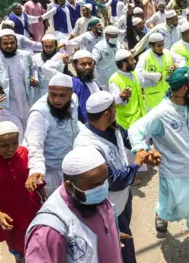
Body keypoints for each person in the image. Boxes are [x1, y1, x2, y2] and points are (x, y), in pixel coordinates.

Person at [128, 67, 189, 245]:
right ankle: (161, 213)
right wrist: (143, 150)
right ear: (183, 89)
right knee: (179, 208)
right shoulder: (161, 113)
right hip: (175, 172)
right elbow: (135, 129)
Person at [75, 92, 161, 263]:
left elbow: (128, 140)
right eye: (115, 108)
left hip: (123, 200)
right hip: (107, 211)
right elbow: (112, 181)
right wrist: (136, 164)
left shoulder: (112, 127)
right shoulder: (87, 145)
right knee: (120, 253)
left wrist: (145, 152)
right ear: (107, 113)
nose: (117, 111)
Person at [25, 147, 123, 261]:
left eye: (105, 180)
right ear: (70, 186)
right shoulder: (50, 229)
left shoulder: (95, 200)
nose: (103, 188)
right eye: (94, 185)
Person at [0, 121, 46, 262]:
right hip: (10, 218)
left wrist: (45, 199)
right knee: (18, 249)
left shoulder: (24, 153)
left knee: (39, 243)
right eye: (4, 145)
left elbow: (36, 179)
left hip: (33, 210)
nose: (10, 149)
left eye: (14, 143)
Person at [24, 73, 80, 197]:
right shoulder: (39, 113)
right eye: (53, 94)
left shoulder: (74, 100)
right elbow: (34, 145)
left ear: (71, 93)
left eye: (62, 95)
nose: (57, 100)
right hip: (49, 173)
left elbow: (74, 124)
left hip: (67, 166)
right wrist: (36, 169)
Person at [0, 30, 39, 141]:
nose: (9, 46)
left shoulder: (26, 55)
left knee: (29, 135)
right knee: (16, 135)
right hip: (5, 105)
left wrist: (34, 78)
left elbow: (33, 68)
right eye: (5, 43)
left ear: (16, 43)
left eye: (12, 42)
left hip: (26, 102)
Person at [136, 32, 184, 111]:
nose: (161, 48)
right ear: (151, 46)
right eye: (158, 46)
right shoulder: (145, 56)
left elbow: (182, 60)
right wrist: (155, 76)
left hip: (168, 96)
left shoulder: (167, 53)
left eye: (162, 45)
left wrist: (176, 66)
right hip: (153, 99)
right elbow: (138, 72)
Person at [108, 49, 146, 130]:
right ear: (124, 64)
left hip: (140, 116)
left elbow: (142, 83)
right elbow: (113, 100)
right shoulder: (114, 80)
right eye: (132, 60)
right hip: (127, 122)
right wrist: (121, 96)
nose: (135, 61)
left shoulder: (133, 74)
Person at [33, 34, 68, 99]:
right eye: (46, 46)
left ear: (56, 45)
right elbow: (33, 74)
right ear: (42, 46)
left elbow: (66, 74)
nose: (48, 49)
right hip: (40, 94)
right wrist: (33, 81)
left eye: (51, 46)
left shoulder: (61, 57)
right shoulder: (35, 58)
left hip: (58, 93)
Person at [70, 49, 101, 123]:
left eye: (90, 63)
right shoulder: (75, 84)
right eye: (83, 64)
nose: (87, 67)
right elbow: (83, 111)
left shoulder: (93, 82)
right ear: (74, 66)